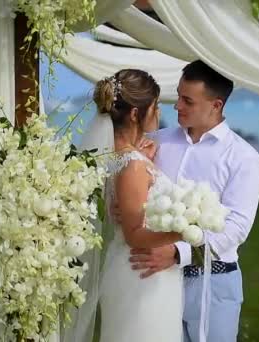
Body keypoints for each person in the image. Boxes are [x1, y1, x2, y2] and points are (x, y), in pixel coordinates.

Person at [130, 60, 259, 341]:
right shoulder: (157, 142)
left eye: (187, 100)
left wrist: (179, 253)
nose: (177, 106)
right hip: (159, 282)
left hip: (213, 283)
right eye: (178, 96)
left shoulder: (244, 157)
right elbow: (134, 188)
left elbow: (237, 228)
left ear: (216, 105)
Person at [90, 69, 185, 341]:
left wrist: (146, 163)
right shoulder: (132, 164)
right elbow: (134, 234)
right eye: (155, 107)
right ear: (135, 114)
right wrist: (185, 233)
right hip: (142, 272)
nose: (158, 114)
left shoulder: (121, 156)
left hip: (139, 270)